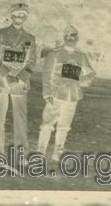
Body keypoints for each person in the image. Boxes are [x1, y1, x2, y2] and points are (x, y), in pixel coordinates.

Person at [37, 24, 96, 161]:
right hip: (56, 94)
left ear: (78, 39)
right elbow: (46, 74)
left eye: (73, 37)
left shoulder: (81, 56)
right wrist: (47, 93)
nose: (70, 40)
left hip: (72, 96)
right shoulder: (54, 54)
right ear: (64, 38)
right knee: (47, 124)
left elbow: (91, 72)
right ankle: (40, 151)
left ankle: (58, 151)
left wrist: (83, 80)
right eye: (67, 37)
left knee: (64, 125)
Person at [0, 2, 36, 155]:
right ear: (11, 15)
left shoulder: (30, 38)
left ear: (26, 17)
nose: (19, 17)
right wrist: (7, 75)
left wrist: (19, 78)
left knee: (21, 119)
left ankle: (21, 153)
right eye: (16, 14)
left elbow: (32, 62)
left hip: (20, 82)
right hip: (2, 80)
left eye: (22, 15)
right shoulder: (0, 34)